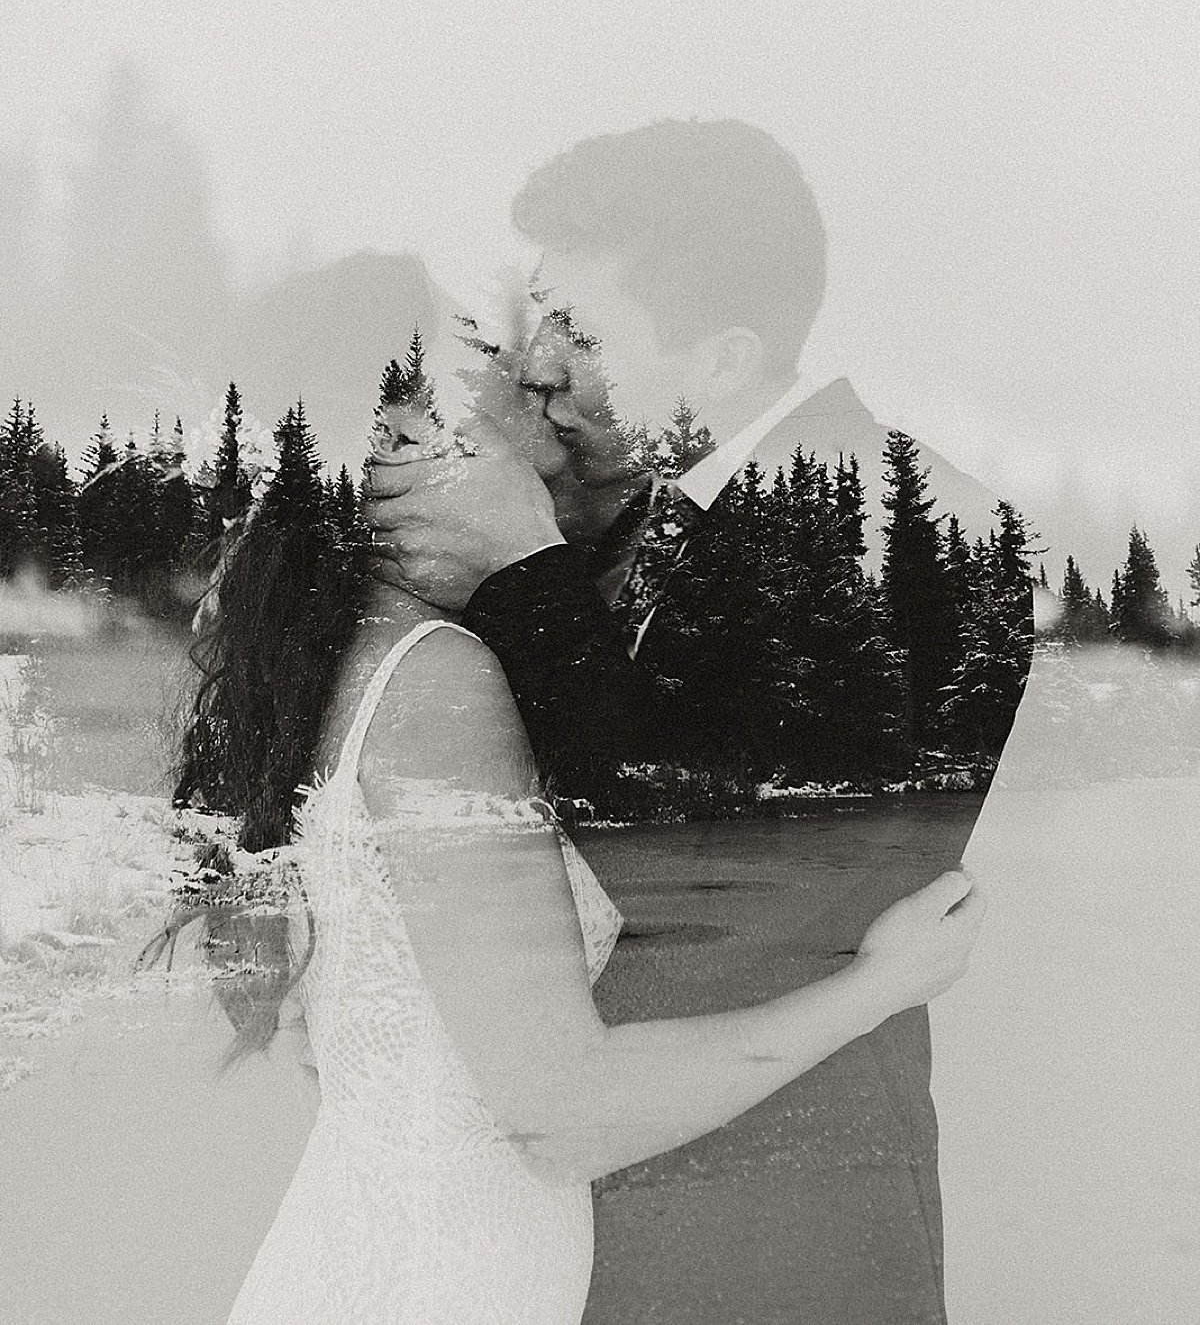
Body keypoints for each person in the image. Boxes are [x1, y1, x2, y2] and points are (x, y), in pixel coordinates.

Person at [364, 119, 1032, 1323]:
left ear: (722, 360)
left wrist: (518, 570)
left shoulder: (923, 530)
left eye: (582, 330)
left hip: (786, 1240)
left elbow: (702, 863)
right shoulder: (625, 524)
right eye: (536, 321)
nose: (536, 368)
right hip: (580, 1220)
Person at [159, 376, 984, 1325]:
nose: (545, 434)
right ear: (395, 474)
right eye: (490, 415)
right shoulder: (438, 684)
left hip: (385, 1248)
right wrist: (885, 982)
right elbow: (561, 1112)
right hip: (450, 1282)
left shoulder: (339, 667)